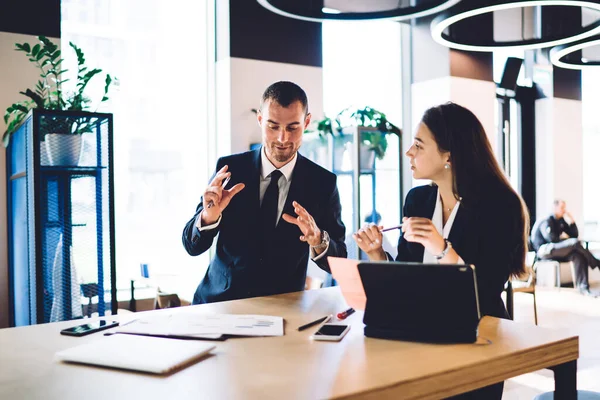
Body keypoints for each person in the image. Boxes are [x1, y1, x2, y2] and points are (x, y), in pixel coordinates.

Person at [353, 102, 529, 400]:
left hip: (477, 339)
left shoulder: (501, 206)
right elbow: (410, 277)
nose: (409, 152)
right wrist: (378, 256)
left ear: (448, 155)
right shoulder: (418, 199)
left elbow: (485, 291)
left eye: (419, 145)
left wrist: (443, 248)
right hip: (420, 334)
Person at [182, 81, 347, 304]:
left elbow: (339, 261)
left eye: (292, 127)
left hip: (283, 312)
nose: (282, 138)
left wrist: (318, 239)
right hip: (219, 304)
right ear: (260, 119)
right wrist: (208, 217)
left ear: (306, 122)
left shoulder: (323, 183)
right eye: (273, 126)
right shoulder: (230, 169)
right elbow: (192, 247)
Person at [531, 200, 600, 296]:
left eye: (564, 207)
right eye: (562, 208)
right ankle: (596, 262)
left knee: (577, 255)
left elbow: (574, 235)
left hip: (556, 250)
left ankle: (583, 288)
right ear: (555, 208)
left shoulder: (561, 220)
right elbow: (551, 238)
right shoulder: (546, 220)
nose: (564, 210)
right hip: (544, 251)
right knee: (574, 243)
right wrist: (565, 240)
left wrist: (572, 220)